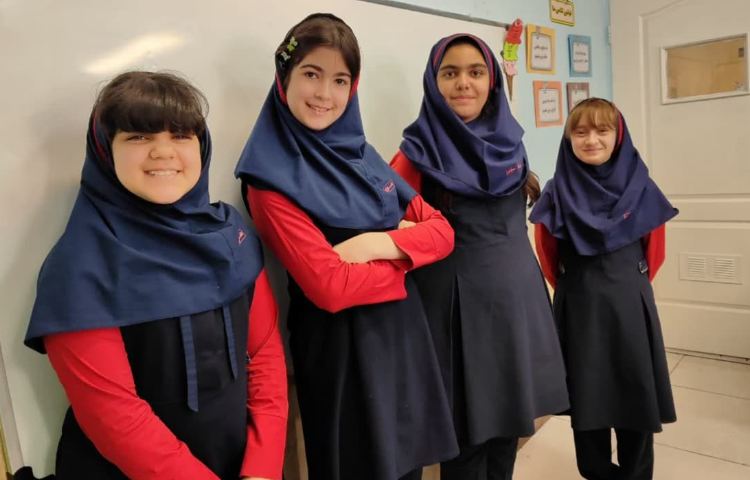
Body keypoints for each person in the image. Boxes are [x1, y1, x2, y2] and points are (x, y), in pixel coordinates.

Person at [25, 71, 288, 480]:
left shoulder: (229, 236)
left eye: (181, 135)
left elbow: (265, 357)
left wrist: (263, 467)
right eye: (138, 136)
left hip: (240, 466)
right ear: (104, 150)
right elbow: (115, 420)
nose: (163, 151)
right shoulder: (79, 268)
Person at [235, 13, 458, 480]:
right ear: (284, 77)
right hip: (342, 356)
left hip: (403, 340)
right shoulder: (268, 180)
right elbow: (330, 287)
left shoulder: (363, 156)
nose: (325, 94)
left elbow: (443, 232)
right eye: (311, 74)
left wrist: (377, 243)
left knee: (409, 467)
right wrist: (408, 254)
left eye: (340, 80)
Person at [391, 33, 569, 480]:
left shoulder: (510, 143)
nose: (463, 83)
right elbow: (389, 224)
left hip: (516, 302)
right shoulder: (417, 153)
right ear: (433, 82)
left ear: (492, 81)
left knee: (508, 429)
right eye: (449, 73)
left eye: (475, 72)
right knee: (467, 439)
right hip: (455, 312)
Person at [529, 98, 678, 480]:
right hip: (579, 305)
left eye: (602, 130)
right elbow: (547, 253)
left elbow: (655, 251)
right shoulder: (556, 192)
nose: (591, 139)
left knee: (635, 396)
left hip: (629, 302)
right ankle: (596, 471)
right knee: (587, 398)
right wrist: (582, 285)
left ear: (618, 136)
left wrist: (626, 284)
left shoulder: (641, 188)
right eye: (580, 132)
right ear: (569, 140)